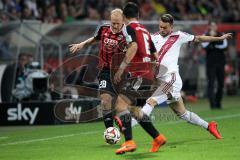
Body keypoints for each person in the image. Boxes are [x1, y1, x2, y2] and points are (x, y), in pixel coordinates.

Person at [131, 14, 232, 143]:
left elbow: (200, 38)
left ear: (171, 26)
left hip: (172, 78)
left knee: (151, 101)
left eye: (165, 27)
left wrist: (219, 38)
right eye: (160, 26)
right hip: (161, 80)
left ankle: (127, 126)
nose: (162, 29)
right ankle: (209, 126)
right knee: (183, 114)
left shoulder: (178, 36)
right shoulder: (152, 37)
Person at [113, 2, 166, 155]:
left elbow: (134, 47)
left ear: (124, 16)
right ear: (138, 15)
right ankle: (158, 137)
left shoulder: (129, 28)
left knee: (120, 104)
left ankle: (129, 142)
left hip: (139, 75)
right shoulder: (145, 30)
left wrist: (122, 67)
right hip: (148, 75)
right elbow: (156, 57)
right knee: (136, 110)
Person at [69, 9, 127, 129]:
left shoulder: (128, 34)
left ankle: (119, 120)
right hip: (105, 70)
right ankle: (110, 131)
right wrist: (82, 44)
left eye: (118, 23)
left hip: (121, 72)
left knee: (120, 104)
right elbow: (95, 38)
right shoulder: (104, 29)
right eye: (113, 23)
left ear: (123, 21)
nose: (115, 26)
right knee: (105, 101)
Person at [202, 22, 228, 109]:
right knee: (211, 84)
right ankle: (212, 105)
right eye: (211, 26)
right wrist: (215, 41)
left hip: (221, 63)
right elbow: (204, 45)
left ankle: (218, 103)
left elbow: (224, 46)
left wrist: (213, 42)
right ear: (209, 27)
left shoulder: (222, 35)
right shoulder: (205, 35)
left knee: (221, 84)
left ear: (216, 26)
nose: (213, 27)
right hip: (210, 64)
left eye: (214, 25)